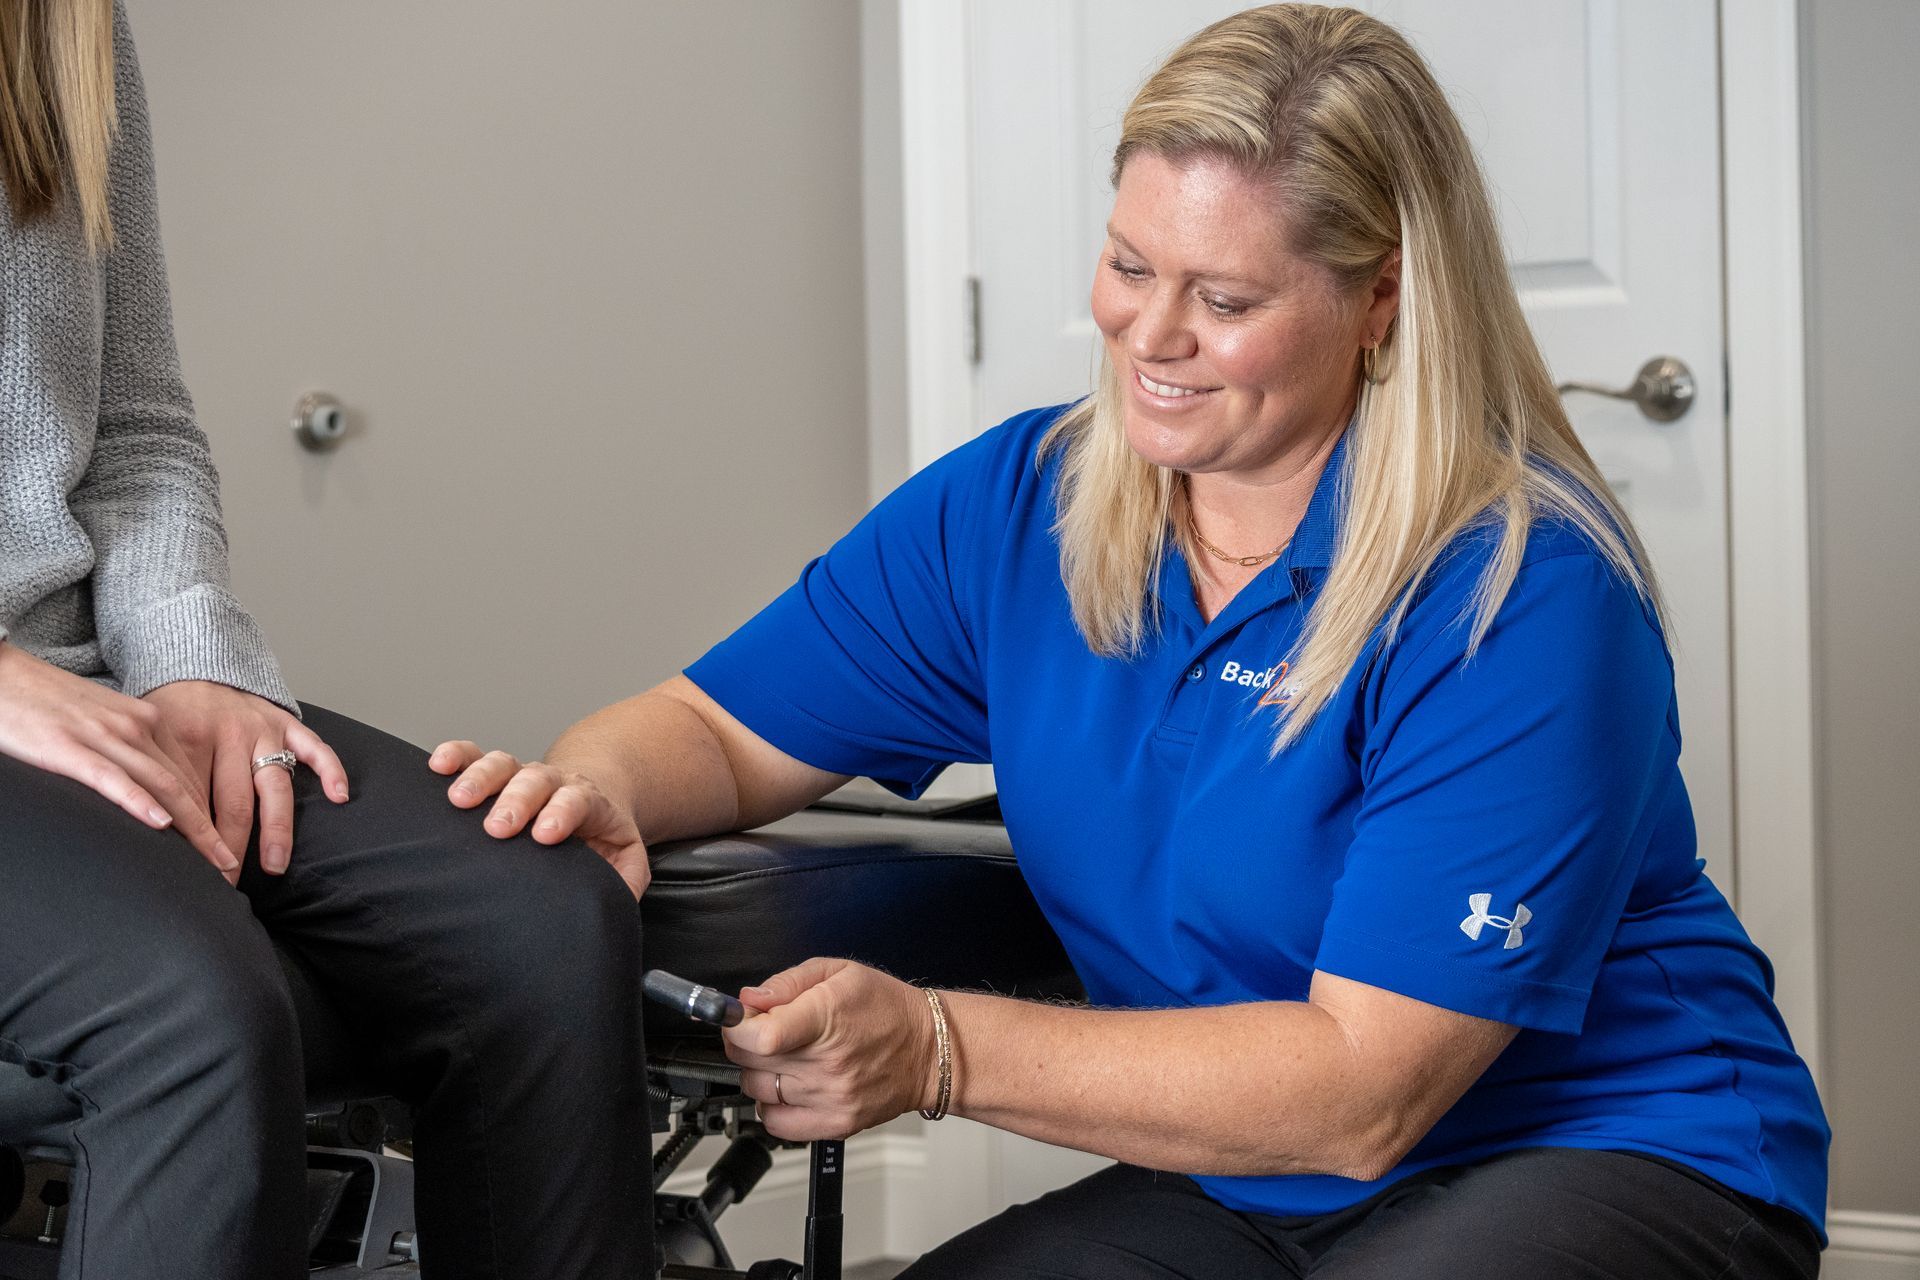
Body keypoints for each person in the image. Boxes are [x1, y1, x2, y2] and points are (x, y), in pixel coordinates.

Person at [444, 5, 1828, 1278]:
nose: (1148, 335)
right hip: (1245, 1185)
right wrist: (597, 792)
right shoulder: (1020, 508)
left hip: (1606, 1151)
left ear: (1382, 300)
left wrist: (936, 1047)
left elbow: (1364, 1093)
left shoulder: (1517, 592)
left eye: (1225, 301)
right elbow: (713, 727)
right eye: (1126, 266)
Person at [0, 3, 650, 1276]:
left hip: (91, 685)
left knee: (546, 925)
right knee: (190, 1014)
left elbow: (132, 427)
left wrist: (192, 657)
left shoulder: (61, 25)